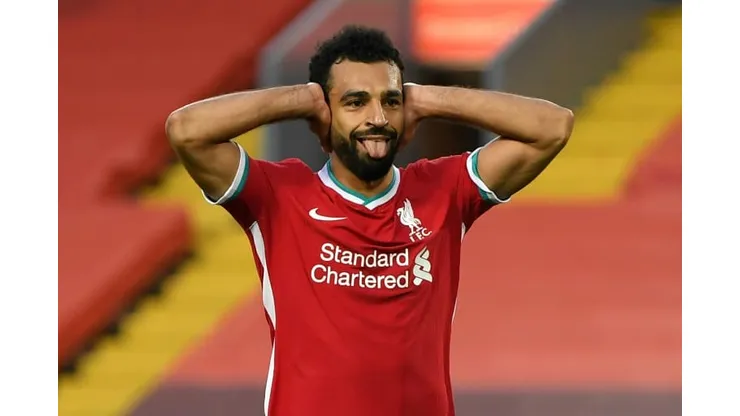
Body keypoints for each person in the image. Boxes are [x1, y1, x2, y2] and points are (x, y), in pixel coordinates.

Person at [165, 25, 573, 416]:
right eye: (355, 102)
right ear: (325, 113)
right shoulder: (278, 196)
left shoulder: (444, 191)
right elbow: (186, 130)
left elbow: (552, 127)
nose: (377, 117)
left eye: (390, 101)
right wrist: (301, 99)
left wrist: (428, 98)